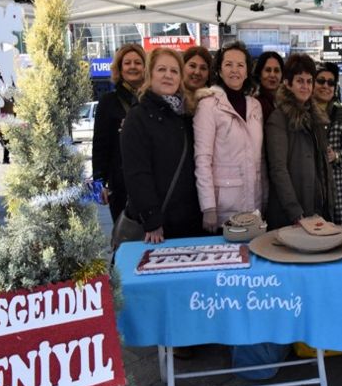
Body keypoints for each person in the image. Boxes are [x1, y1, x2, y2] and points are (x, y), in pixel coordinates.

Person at [120, 47, 205, 242]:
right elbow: (136, 173)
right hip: (157, 228)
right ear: (150, 75)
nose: (168, 75)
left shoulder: (185, 114)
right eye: (161, 70)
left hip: (189, 222)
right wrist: (152, 220)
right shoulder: (138, 116)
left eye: (174, 71)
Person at [193, 41, 264, 233]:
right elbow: (202, 159)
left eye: (240, 65)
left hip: (254, 202)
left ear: (248, 71)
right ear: (220, 70)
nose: (235, 70)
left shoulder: (255, 106)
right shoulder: (208, 105)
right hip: (223, 205)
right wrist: (208, 207)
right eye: (229, 64)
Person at [265, 53, 335, 229]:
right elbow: (278, 170)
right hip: (291, 214)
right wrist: (295, 212)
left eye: (309, 81)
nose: (305, 86)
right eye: (300, 81)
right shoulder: (278, 119)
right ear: (288, 84)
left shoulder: (315, 117)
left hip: (315, 207)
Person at [92, 43, 146, 223]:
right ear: (120, 69)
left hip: (151, 181)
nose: (133, 67)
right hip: (121, 184)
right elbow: (100, 145)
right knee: (125, 236)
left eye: (138, 62)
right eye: (127, 63)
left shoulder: (152, 99)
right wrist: (100, 183)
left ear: (145, 67)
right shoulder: (108, 102)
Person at [313, 63, 342, 226]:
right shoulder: (302, 115)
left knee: (340, 241)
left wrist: (337, 156)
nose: (325, 86)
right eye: (321, 81)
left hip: (339, 194)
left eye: (331, 82)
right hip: (312, 193)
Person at [253, 51, 284, 121]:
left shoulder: (287, 102)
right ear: (260, 74)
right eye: (268, 70)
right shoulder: (255, 104)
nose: (272, 75)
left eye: (276, 70)